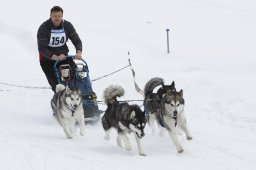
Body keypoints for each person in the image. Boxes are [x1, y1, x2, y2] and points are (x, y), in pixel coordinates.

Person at [37, 6, 82, 92]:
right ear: (50, 16)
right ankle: (60, 101)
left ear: (62, 16)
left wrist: (78, 52)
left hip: (63, 58)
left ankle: (74, 100)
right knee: (57, 85)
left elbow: (76, 40)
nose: (57, 18)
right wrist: (55, 57)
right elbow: (42, 48)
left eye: (59, 16)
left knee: (72, 79)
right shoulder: (43, 28)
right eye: (54, 16)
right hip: (47, 59)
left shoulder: (67, 26)